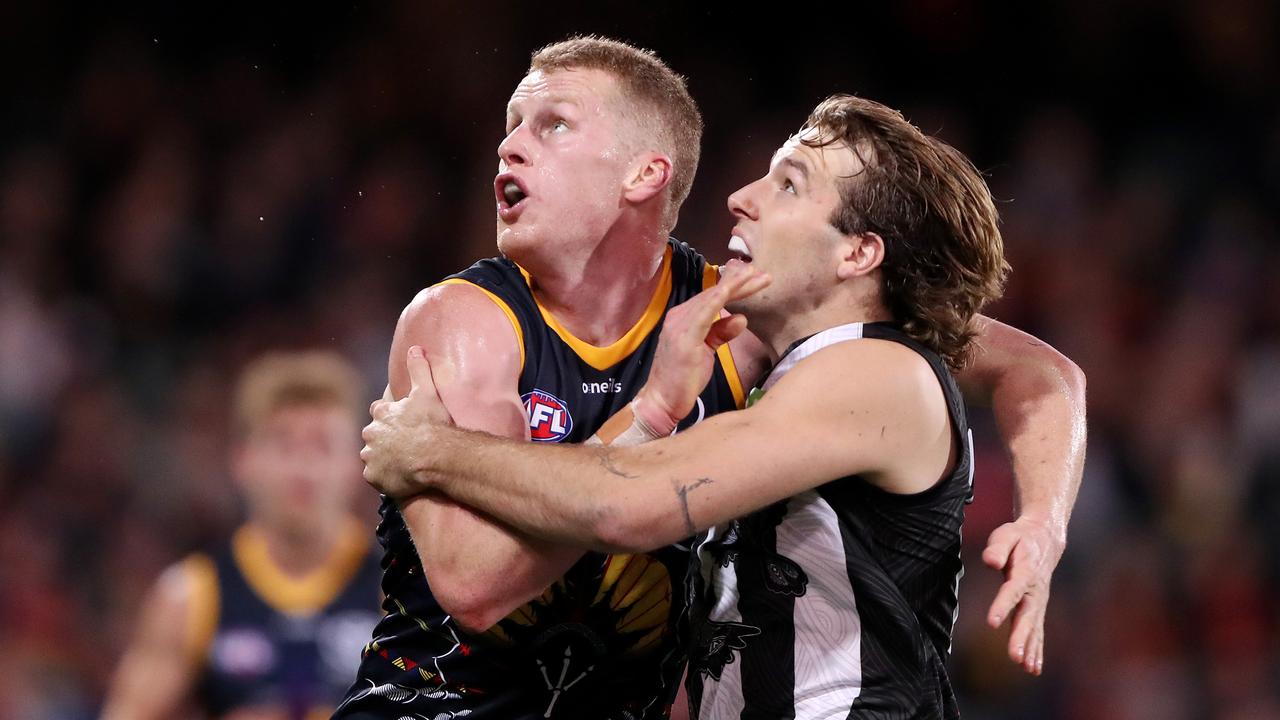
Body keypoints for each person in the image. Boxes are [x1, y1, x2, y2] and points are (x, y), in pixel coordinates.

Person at [338, 36, 1085, 720]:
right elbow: (475, 584)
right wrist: (1042, 521)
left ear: (645, 173)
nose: (510, 145)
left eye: (552, 124)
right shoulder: (470, 320)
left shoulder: (836, 353)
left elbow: (1038, 369)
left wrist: (434, 450)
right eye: (512, 122)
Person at [101, 351, 382, 720]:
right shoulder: (191, 595)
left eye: (321, 445)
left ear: (356, 463)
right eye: (284, 444)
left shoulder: (394, 589)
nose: (303, 468)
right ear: (243, 460)